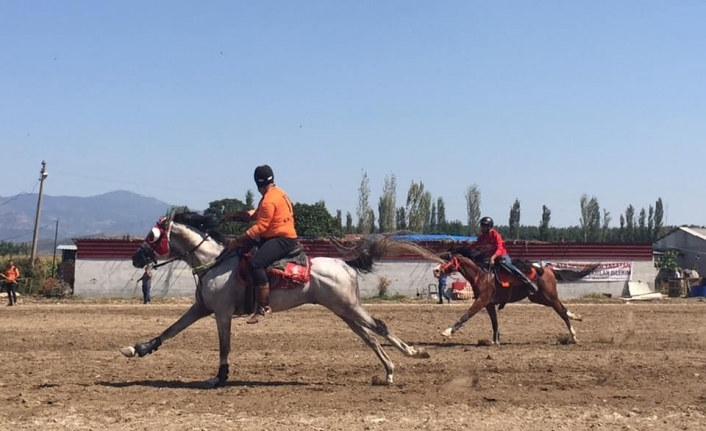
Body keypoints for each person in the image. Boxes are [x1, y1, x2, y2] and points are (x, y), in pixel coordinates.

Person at [224, 164, 299, 324]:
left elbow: (260, 226)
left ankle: (264, 307)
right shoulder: (278, 193)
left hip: (282, 239)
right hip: (280, 236)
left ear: (257, 184)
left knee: (256, 263)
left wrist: (237, 241)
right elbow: (256, 214)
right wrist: (237, 215)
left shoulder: (268, 200)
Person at [468, 216, 538, 294]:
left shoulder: (496, 235)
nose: (482, 228)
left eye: (484, 226)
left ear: (489, 227)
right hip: (491, 257)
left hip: (501, 256)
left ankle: (527, 281)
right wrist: (466, 248)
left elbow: (500, 248)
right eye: (482, 226)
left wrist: (493, 257)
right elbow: (476, 244)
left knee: (508, 266)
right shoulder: (483, 236)